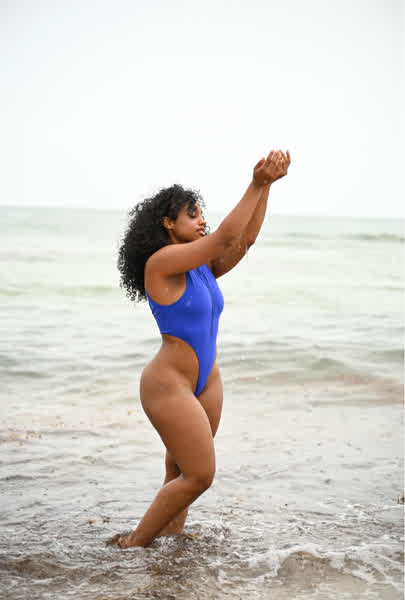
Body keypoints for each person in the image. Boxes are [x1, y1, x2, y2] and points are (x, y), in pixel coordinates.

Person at [111, 149, 291, 548]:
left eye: (201, 214)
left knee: (180, 472)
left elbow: (243, 240)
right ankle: (133, 545)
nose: (201, 221)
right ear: (168, 222)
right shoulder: (160, 264)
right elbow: (224, 236)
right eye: (192, 215)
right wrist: (255, 183)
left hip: (206, 380)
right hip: (169, 385)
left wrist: (267, 189)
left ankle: (168, 548)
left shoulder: (201, 267)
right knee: (199, 476)